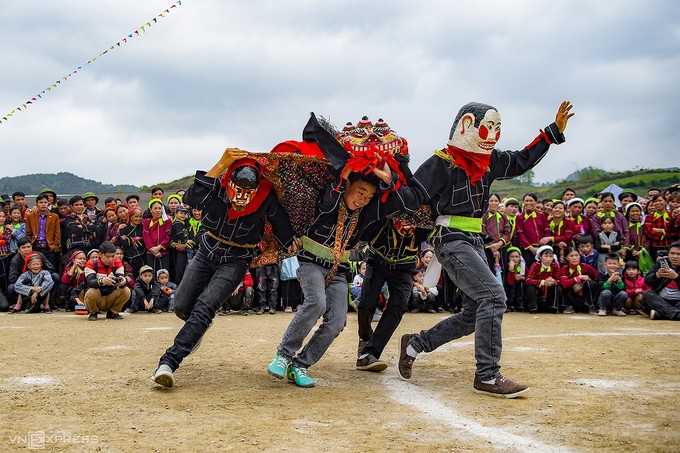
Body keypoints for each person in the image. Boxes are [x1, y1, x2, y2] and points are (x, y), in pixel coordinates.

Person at [395, 101, 573, 398]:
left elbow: (521, 160)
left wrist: (551, 134)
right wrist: (390, 175)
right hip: (450, 238)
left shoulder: (488, 161)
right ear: (465, 126)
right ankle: (487, 375)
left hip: (475, 240)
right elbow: (412, 195)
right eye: (486, 127)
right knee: (494, 296)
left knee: (474, 311)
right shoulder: (441, 161)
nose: (492, 134)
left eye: (497, 129)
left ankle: (415, 343)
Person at [153, 148, 296, 388]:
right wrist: (222, 163)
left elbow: (281, 223)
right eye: (238, 190)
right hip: (206, 252)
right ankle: (196, 330)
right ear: (228, 182)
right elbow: (191, 197)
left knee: (205, 306)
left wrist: (292, 240)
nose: (242, 196)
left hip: (237, 259)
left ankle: (168, 362)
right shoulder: (216, 188)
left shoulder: (265, 196)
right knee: (181, 306)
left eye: (248, 192)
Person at [83, 241, 130, 321]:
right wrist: (102, 281)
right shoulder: (91, 263)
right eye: (108, 256)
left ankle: (113, 312)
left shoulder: (117, 263)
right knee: (91, 292)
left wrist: (124, 281)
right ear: (100, 255)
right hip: (96, 297)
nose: (111, 259)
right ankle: (94, 312)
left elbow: (121, 280)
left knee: (126, 290)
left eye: (113, 256)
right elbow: (90, 282)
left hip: (110, 296)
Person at [642, 241, 680, 320]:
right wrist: (657, 275)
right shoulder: (661, 263)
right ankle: (676, 314)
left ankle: (661, 315)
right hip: (661, 301)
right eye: (672, 253)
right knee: (647, 294)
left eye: (678, 254)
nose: (675, 256)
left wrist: (676, 278)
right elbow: (646, 280)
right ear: (668, 254)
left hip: (678, 301)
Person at [559, 247, 598, 314]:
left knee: (590, 282)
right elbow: (564, 284)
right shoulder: (564, 269)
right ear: (566, 258)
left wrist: (586, 282)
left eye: (576, 255)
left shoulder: (586, 267)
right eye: (571, 256)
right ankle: (568, 306)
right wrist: (578, 278)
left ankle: (591, 306)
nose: (574, 258)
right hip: (573, 297)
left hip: (585, 297)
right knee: (563, 285)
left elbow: (598, 278)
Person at [515, 193, 549, 267]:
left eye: (531, 201)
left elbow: (546, 230)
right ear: (523, 202)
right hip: (527, 250)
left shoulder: (541, 215)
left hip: (542, 248)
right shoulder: (520, 217)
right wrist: (531, 248)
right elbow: (520, 234)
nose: (528, 203)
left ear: (536, 202)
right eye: (526, 201)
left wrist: (544, 242)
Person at [525, 245, 562, 314]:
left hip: (549, 293)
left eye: (551, 256)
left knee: (558, 287)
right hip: (538, 292)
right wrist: (542, 282)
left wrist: (553, 281)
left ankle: (554, 307)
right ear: (540, 256)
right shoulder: (535, 265)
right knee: (530, 288)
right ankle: (533, 307)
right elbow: (528, 280)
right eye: (546, 256)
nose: (548, 259)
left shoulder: (555, 265)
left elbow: (559, 279)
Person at [482, 193, 511, 277]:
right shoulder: (483, 216)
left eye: (496, 201)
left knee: (502, 274)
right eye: (491, 201)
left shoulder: (503, 216)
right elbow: (483, 233)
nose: (494, 203)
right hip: (487, 250)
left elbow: (507, 233)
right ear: (487, 202)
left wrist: (499, 244)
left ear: (499, 202)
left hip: (502, 249)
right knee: (489, 273)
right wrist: (493, 249)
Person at [643, 194, 679, 260]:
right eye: (655, 201)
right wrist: (666, 233)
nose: (657, 203)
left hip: (672, 246)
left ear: (666, 202)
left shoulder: (672, 215)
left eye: (660, 200)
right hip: (655, 247)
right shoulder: (650, 217)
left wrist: (660, 231)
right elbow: (648, 232)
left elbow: (676, 231)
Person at [143, 198, 172, 275]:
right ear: (150, 210)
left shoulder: (167, 221)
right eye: (155, 208)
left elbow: (168, 236)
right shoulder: (146, 222)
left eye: (160, 208)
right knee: (151, 274)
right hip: (151, 252)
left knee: (164, 274)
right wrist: (153, 249)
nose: (158, 210)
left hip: (164, 252)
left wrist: (159, 247)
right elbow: (146, 236)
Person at [119, 206, 146, 278]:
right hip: (129, 256)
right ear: (131, 217)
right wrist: (133, 240)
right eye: (136, 216)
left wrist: (130, 240)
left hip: (142, 255)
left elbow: (145, 239)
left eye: (140, 216)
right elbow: (122, 241)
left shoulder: (143, 227)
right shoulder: (124, 228)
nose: (138, 219)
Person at [170, 205, 190, 284]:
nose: (183, 215)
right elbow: (180, 234)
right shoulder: (177, 223)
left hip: (183, 246)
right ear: (175, 214)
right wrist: (186, 242)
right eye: (181, 213)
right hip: (179, 246)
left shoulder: (184, 222)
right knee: (180, 268)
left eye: (184, 214)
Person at [504, 247, 526, 312]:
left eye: (516, 257)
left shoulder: (523, 266)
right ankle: (510, 304)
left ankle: (520, 305)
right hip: (510, 289)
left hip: (519, 290)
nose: (514, 259)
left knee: (522, 283)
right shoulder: (505, 266)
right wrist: (511, 269)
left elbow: (529, 278)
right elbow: (509, 282)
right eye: (512, 257)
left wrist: (523, 277)